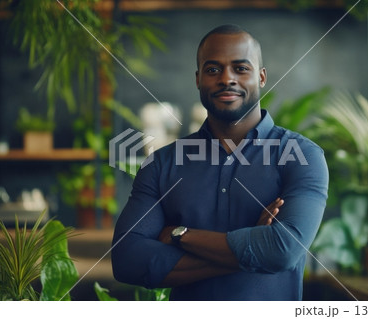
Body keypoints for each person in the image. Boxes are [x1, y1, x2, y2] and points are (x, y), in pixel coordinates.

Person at [111, 24, 328, 301]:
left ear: (261, 77)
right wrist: (252, 250)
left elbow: (282, 251)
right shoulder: (162, 164)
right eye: (213, 70)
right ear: (198, 79)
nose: (227, 79)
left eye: (240, 68)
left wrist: (180, 235)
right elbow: (127, 260)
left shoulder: (301, 156)